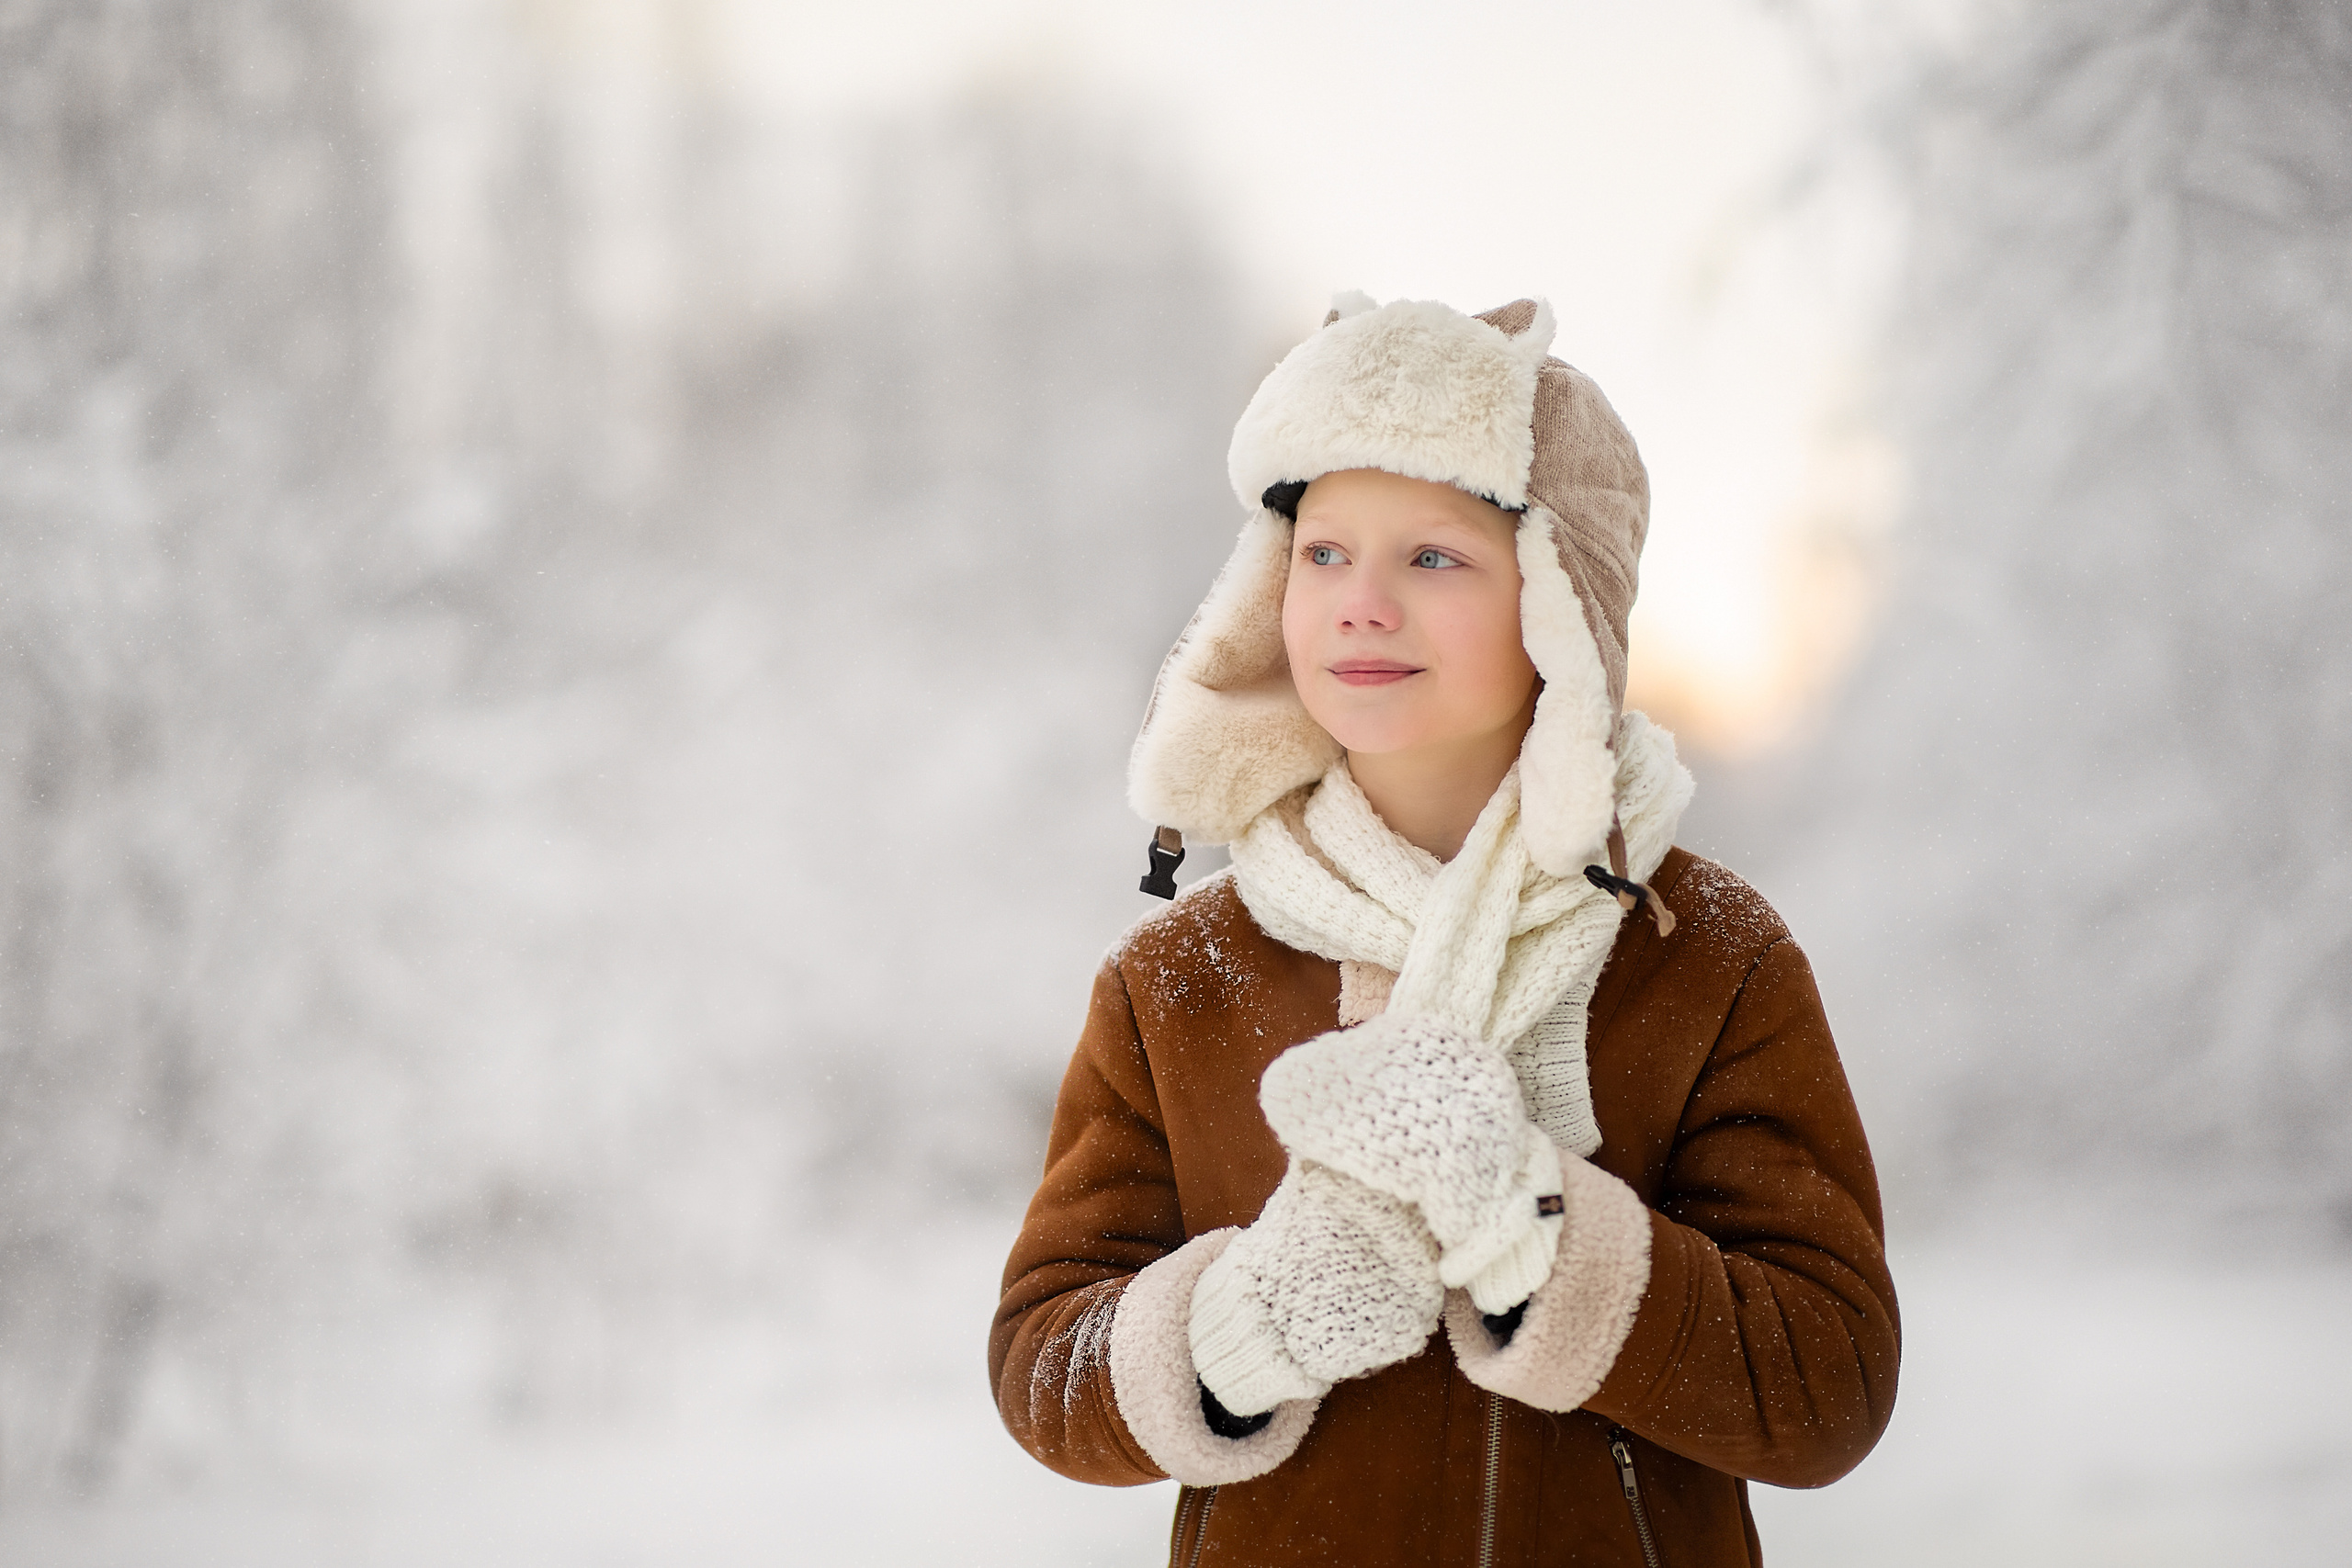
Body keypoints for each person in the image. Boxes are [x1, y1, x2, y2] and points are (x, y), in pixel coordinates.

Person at [989, 293, 1898, 1566]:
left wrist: (1533, 1232)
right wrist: (1246, 1324)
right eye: (1322, 553)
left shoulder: (1702, 951)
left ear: (1557, 608)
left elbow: (1830, 1387)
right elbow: (1042, 1368)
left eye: (1433, 557)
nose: (1360, 602)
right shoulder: (1179, 979)